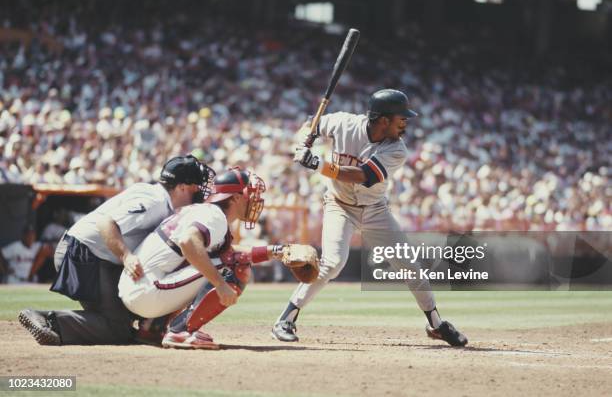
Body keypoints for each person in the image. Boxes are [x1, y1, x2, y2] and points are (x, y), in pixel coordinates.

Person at [271, 89, 468, 347]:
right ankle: (285, 319)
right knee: (333, 263)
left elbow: (363, 175)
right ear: (384, 120)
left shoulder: (397, 149)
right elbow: (312, 123)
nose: (405, 124)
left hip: (375, 209)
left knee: (410, 266)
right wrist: (303, 141)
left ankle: (436, 324)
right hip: (339, 205)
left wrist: (317, 164)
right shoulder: (344, 123)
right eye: (401, 118)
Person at [18, 155, 215, 345]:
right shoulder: (155, 202)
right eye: (195, 187)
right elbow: (106, 223)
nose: (199, 193)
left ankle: (148, 328)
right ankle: (50, 321)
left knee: (133, 308)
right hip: (83, 251)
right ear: (181, 187)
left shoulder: (159, 199)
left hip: (97, 254)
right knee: (117, 329)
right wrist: (126, 256)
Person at [119, 167, 272, 349]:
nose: (254, 200)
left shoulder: (204, 212)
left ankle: (152, 326)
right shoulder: (215, 216)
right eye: (250, 193)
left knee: (220, 260)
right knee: (236, 266)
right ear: (236, 197)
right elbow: (188, 241)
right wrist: (220, 284)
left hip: (138, 286)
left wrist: (277, 251)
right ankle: (180, 331)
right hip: (146, 291)